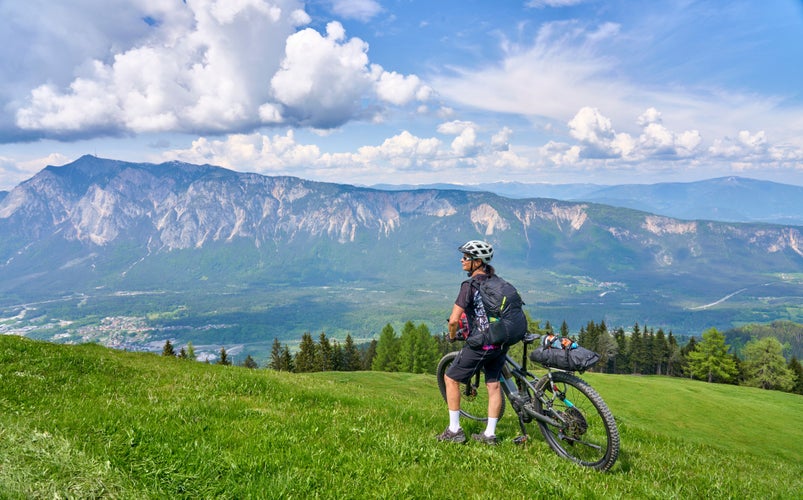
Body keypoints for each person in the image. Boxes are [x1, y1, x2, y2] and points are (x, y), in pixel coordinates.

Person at [438, 239, 508, 445]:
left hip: (482, 343)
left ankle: (454, 431)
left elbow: (453, 320)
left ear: (477, 262)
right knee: (494, 385)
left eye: (466, 257)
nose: (462, 260)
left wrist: (452, 336)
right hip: (500, 341)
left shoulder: (469, 285)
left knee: (450, 379)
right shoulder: (497, 281)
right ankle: (490, 435)